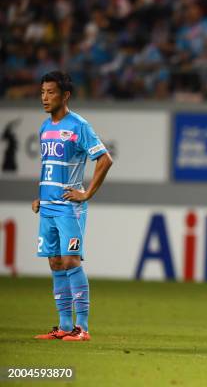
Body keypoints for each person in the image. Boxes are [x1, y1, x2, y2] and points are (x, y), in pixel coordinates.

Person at [33, 71, 113, 341]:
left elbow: (104, 160)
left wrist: (87, 193)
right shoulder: (45, 127)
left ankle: (83, 328)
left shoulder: (79, 125)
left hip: (69, 207)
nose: (45, 97)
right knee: (55, 262)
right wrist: (40, 195)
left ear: (65, 95)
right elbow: (47, 167)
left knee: (71, 260)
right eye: (43, 92)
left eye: (51, 92)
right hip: (48, 206)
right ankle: (65, 326)